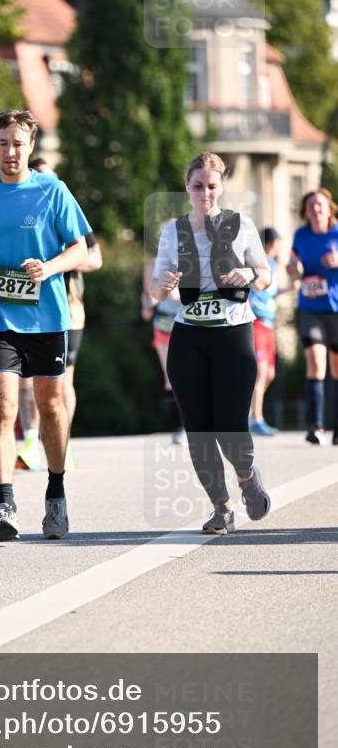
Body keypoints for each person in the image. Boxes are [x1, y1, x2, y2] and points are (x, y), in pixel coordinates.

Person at [0, 109, 90, 541]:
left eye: (17, 143)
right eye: (2, 143)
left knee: (51, 408)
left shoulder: (53, 191)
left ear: (31, 146)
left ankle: (56, 494)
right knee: (2, 409)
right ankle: (4, 503)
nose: (10, 151)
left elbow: (81, 250)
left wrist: (48, 269)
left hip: (47, 317)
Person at [150, 151, 272, 535]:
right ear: (187, 186)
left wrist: (248, 273)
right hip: (189, 334)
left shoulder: (241, 226)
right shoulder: (173, 231)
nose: (205, 192)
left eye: (212, 186)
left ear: (222, 187)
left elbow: (267, 276)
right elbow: (155, 289)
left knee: (231, 424)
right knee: (199, 428)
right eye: (198, 185)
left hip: (234, 331)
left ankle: (247, 476)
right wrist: (164, 286)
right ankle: (222, 509)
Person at [16, 157, 102, 472]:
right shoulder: (19, 210)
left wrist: (58, 262)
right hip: (27, 306)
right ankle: (29, 443)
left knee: (62, 380)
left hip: (67, 306)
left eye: (49, 177)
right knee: (26, 380)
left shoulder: (66, 207)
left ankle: (62, 442)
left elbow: (95, 258)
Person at [286, 188, 338, 445]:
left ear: (329, 208)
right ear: (305, 212)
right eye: (310, 206)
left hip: (336, 309)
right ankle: (315, 427)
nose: (315, 209)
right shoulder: (301, 235)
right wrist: (293, 269)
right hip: (310, 308)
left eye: (319, 205)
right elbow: (293, 267)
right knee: (316, 364)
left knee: (337, 368)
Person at [142, 228, 185, 446]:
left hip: (186, 323)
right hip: (163, 324)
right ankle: (181, 427)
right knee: (171, 378)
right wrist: (147, 305)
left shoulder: (188, 262)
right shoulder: (152, 264)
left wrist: (176, 294)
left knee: (190, 376)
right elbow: (147, 293)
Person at [248, 227, 286, 436]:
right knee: (260, 372)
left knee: (269, 373)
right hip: (257, 323)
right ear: (270, 244)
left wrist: (291, 289)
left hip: (269, 324)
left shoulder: (273, 265)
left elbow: (271, 292)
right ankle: (256, 418)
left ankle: (248, 414)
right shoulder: (255, 264)